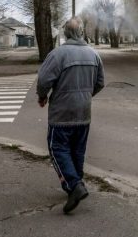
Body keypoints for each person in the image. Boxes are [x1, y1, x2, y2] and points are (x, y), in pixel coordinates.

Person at [37, 17, 104, 214]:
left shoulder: (58, 54)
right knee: (77, 150)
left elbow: (43, 79)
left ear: (66, 34)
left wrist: (43, 97)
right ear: (82, 32)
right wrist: (85, 96)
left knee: (57, 149)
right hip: (84, 112)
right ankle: (75, 184)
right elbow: (100, 82)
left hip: (62, 113)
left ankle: (75, 186)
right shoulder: (93, 55)